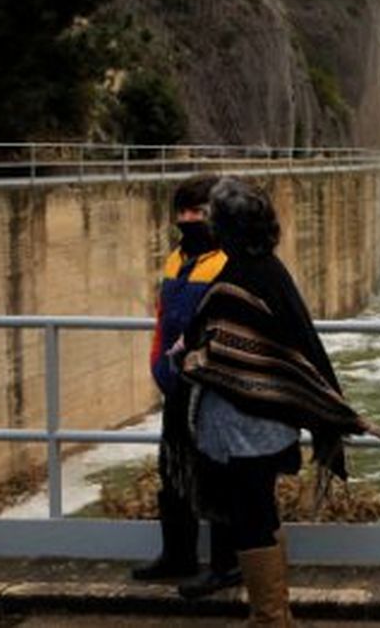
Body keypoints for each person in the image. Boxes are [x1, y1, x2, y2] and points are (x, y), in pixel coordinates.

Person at [173, 177, 380, 626]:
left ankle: (270, 617)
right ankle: (275, 612)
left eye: (213, 219)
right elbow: (292, 347)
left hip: (241, 428)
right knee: (262, 510)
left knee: (250, 515)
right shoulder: (272, 270)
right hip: (274, 420)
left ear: (226, 228)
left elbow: (210, 350)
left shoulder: (233, 282)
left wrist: (187, 355)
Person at [131, 174, 241, 599]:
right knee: (173, 468)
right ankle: (176, 555)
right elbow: (163, 319)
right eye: (183, 212)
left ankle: (225, 566)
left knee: (216, 473)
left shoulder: (228, 261)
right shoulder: (176, 259)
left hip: (214, 388)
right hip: (176, 383)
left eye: (198, 212)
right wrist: (158, 366)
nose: (188, 219)